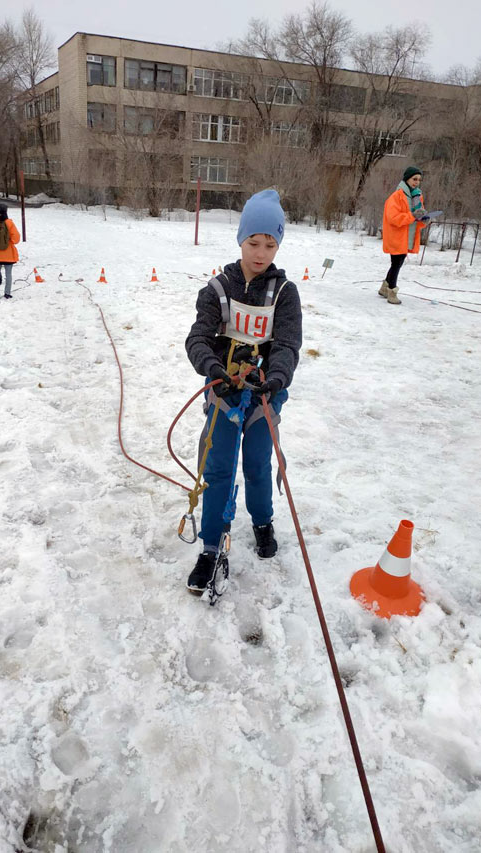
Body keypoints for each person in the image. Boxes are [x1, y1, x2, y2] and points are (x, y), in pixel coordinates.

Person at [185, 189, 302, 593]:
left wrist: (278, 376)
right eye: (254, 242)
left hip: (264, 397)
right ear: (240, 239)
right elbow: (197, 338)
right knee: (217, 468)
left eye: (271, 244)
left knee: (255, 464)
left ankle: (263, 520)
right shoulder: (218, 288)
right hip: (224, 393)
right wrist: (213, 368)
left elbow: (287, 344)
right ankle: (211, 545)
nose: (261, 252)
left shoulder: (285, 294)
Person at [379, 166, 429, 305]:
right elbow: (393, 218)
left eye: (419, 180)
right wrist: (412, 215)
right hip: (397, 236)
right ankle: (391, 292)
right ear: (407, 179)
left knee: (397, 263)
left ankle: (385, 288)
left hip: (408, 236)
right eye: (414, 179)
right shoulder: (396, 196)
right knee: (397, 263)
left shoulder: (417, 197)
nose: (417, 182)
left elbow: (415, 219)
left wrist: (424, 219)